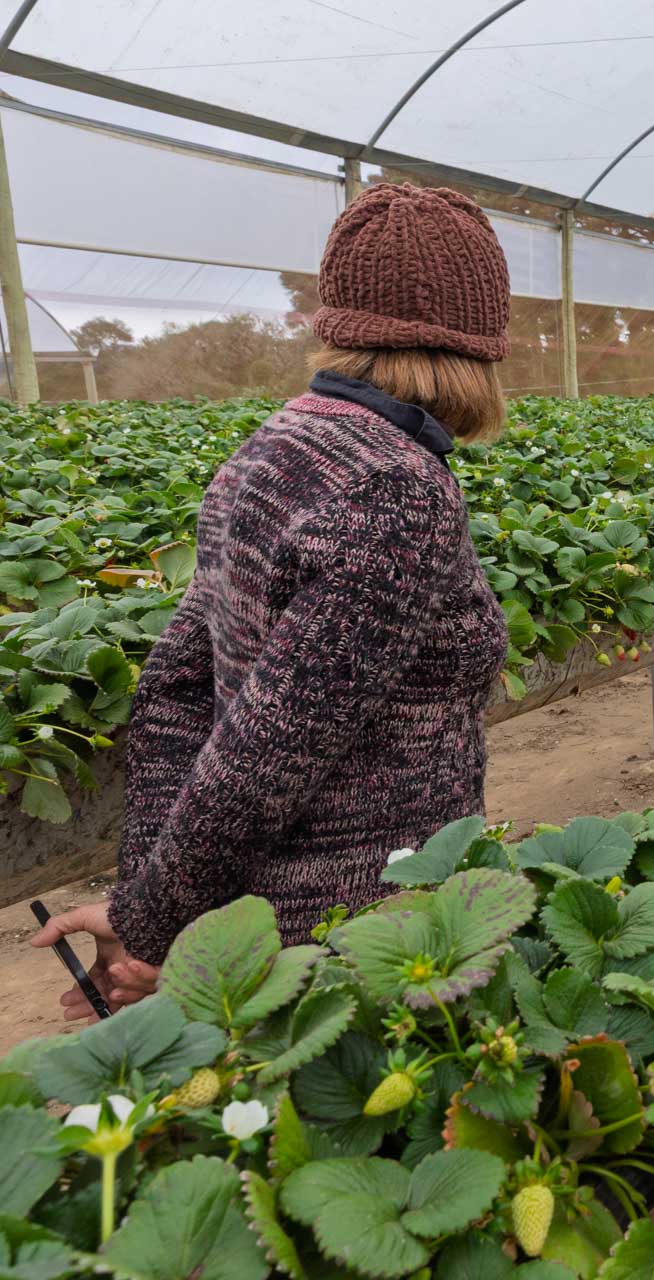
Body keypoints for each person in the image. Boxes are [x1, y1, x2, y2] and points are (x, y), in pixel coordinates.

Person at [32, 184, 513, 1016]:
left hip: (261, 932)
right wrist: (150, 926)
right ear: (477, 343)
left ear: (339, 321)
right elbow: (271, 748)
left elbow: (176, 694)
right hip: (365, 944)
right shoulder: (396, 487)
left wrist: (145, 905)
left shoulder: (271, 450)